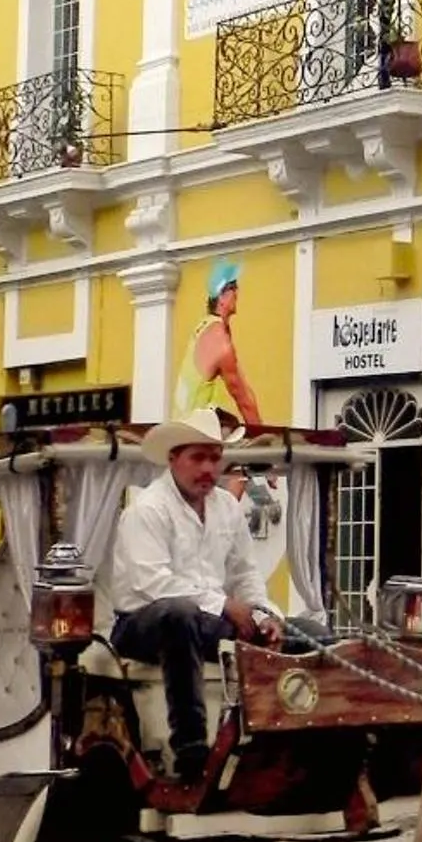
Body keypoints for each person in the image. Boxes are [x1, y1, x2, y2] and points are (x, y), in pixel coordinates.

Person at [110, 411, 283, 783]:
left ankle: (277, 746)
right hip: (140, 624)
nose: (208, 468)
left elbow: (245, 573)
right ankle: (190, 748)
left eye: (214, 457)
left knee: (298, 633)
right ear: (173, 458)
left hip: (205, 619)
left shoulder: (226, 508)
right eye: (198, 457)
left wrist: (264, 615)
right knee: (179, 614)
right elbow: (152, 582)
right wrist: (224, 605)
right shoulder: (148, 509)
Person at [173, 257, 264, 433]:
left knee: (230, 424)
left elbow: (243, 387)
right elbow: (243, 399)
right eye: (232, 288)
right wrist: (265, 443)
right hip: (195, 432)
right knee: (236, 431)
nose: (237, 292)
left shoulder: (205, 327)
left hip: (187, 425)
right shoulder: (218, 339)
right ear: (221, 297)